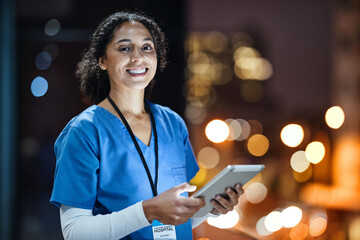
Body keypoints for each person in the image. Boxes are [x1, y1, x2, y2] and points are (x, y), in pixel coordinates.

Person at [50, 11, 244, 240]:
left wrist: (211, 208)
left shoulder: (173, 124)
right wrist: (147, 210)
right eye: (124, 48)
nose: (137, 57)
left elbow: (179, 218)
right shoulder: (84, 132)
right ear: (102, 61)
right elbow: (75, 232)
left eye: (146, 48)